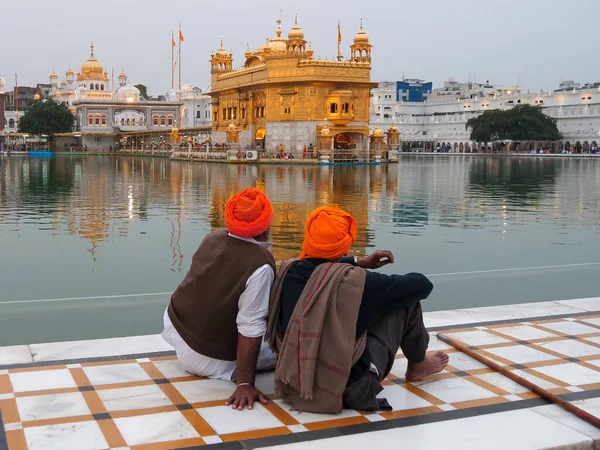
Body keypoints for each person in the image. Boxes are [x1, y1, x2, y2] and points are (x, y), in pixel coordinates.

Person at [266, 206, 448, 413]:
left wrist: (356, 262)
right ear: (344, 245)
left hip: (297, 378)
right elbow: (422, 285)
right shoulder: (358, 283)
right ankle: (418, 366)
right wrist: (365, 273)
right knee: (406, 301)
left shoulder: (290, 271)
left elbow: (319, 266)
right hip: (352, 387)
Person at [162, 188, 277, 410]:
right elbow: (250, 325)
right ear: (266, 226)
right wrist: (245, 382)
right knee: (290, 348)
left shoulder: (213, 237)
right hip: (209, 359)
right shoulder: (260, 264)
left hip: (178, 332)